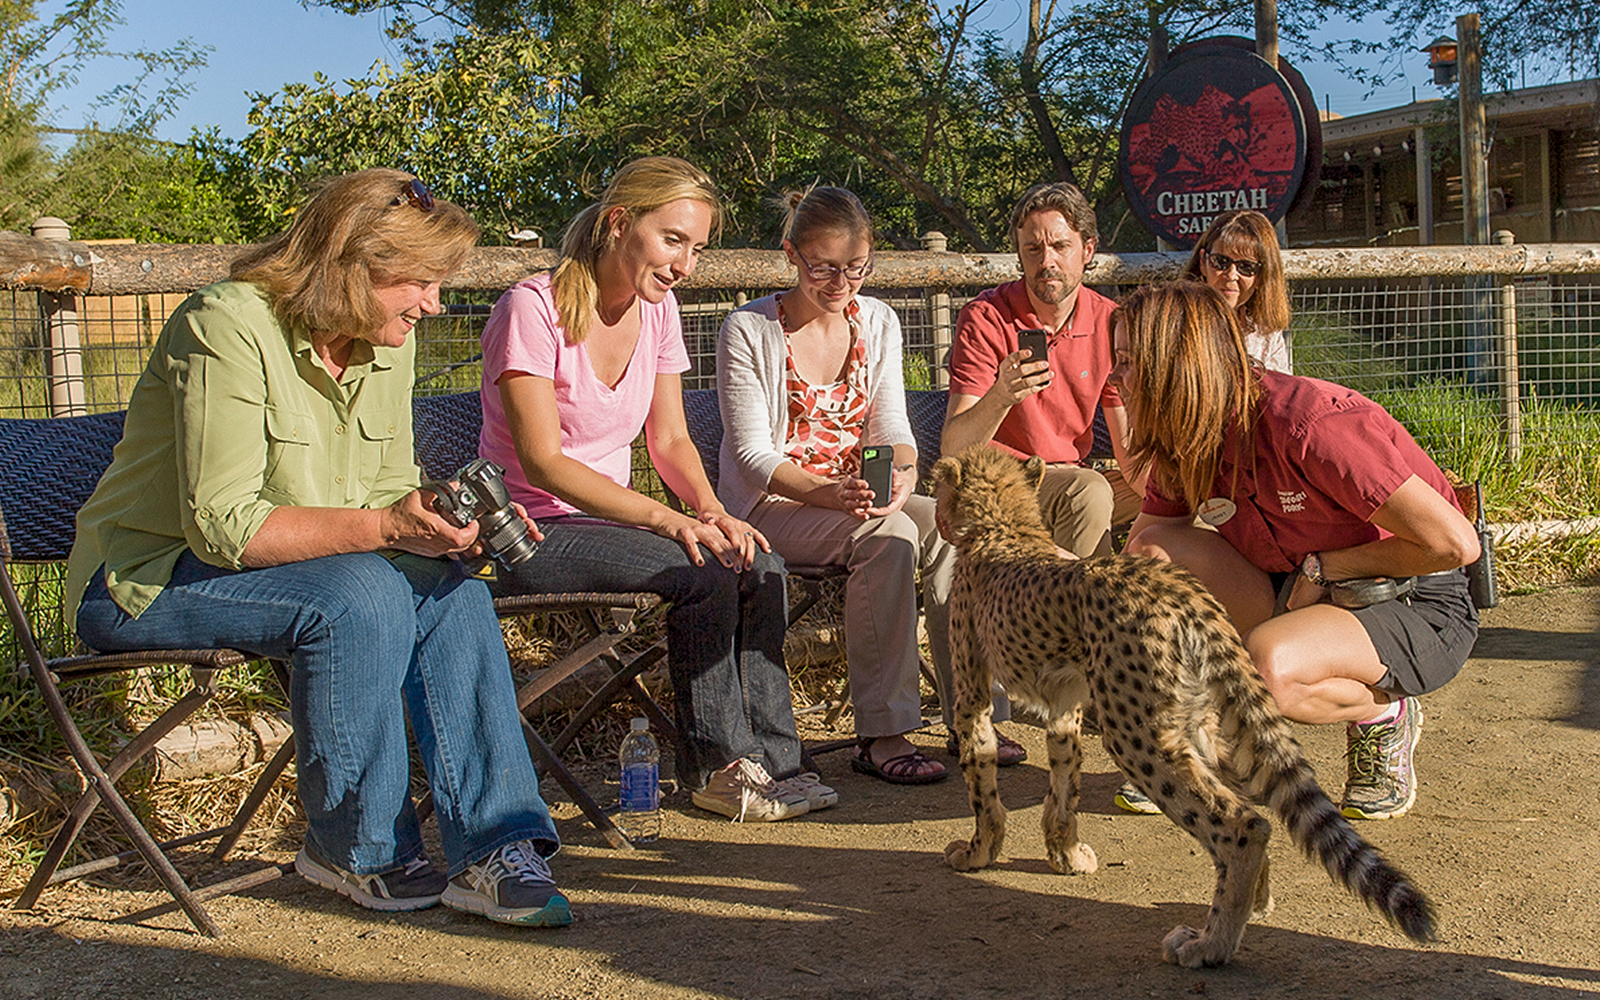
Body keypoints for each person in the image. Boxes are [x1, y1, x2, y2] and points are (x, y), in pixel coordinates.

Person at [65, 169, 572, 926]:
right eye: (420, 283)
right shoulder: (227, 323)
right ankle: (354, 847)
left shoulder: (384, 341)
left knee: (450, 587)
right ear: (352, 263)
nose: (433, 306)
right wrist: (389, 530)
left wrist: (438, 525)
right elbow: (226, 526)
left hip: (305, 572)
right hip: (142, 581)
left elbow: (383, 490)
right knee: (361, 594)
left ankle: (494, 846)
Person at [478, 156, 828, 823]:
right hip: (526, 529)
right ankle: (718, 768)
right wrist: (670, 524)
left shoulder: (656, 310)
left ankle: (779, 761)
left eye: (695, 248)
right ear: (619, 224)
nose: (685, 265)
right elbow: (544, 461)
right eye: (674, 240)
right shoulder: (534, 307)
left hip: (606, 525)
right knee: (701, 572)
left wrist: (712, 512)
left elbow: (668, 441)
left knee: (754, 560)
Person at [1113, 281, 1480, 820]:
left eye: (1126, 362)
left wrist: (1329, 566)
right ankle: (1186, 741)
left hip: (1406, 598)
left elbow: (1454, 544)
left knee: (1268, 671)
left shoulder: (1310, 424)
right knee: (1150, 557)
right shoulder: (1184, 435)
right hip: (1295, 590)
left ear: (1176, 365)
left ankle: (1386, 714)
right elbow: (1137, 559)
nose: (1113, 379)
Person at [715, 186, 950, 785]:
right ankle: (883, 732)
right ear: (791, 254)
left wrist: (902, 471)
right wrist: (828, 493)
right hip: (772, 508)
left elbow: (891, 424)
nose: (841, 283)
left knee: (951, 524)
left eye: (856, 268)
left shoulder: (878, 320)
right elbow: (750, 456)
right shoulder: (748, 328)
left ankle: (970, 711)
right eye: (822, 268)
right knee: (889, 532)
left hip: (855, 499)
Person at [939, 181, 1146, 767]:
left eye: (1058, 246)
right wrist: (1002, 394)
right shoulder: (987, 317)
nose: (1046, 262)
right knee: (1088, 490)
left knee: (1127, 494)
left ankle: (1091, 675)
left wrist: (1168, 491)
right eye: (1033, 249)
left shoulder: (1112, 320)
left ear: (1088, 248)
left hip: (1074, 481)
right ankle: (1069, 672)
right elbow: (954, 446)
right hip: (1000, 490)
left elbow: (1125, 437)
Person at [1181, 209, 1293, 373]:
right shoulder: (1177, 322)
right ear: (1203, 263)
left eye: (1246, 267)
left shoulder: (1267, 333)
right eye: (1221, 262)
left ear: (1262, 276)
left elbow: (1281, 393)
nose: (1231, 275)